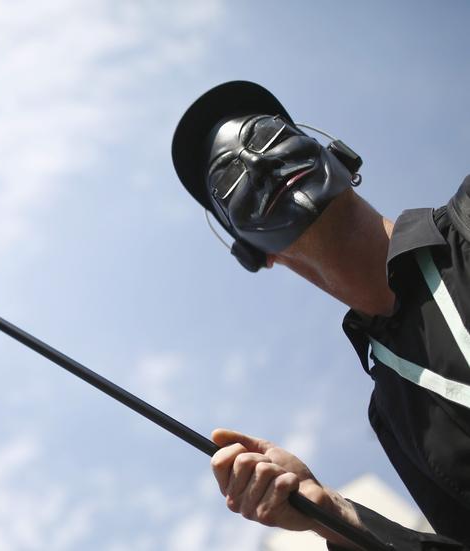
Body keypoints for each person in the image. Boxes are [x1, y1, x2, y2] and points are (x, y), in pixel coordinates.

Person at [171, 81, 470, 550]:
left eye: (267, 137)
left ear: (336, 154)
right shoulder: (393, 414)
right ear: (251, 252)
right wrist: (330, 514)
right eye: (228, 179)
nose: (259, 163)